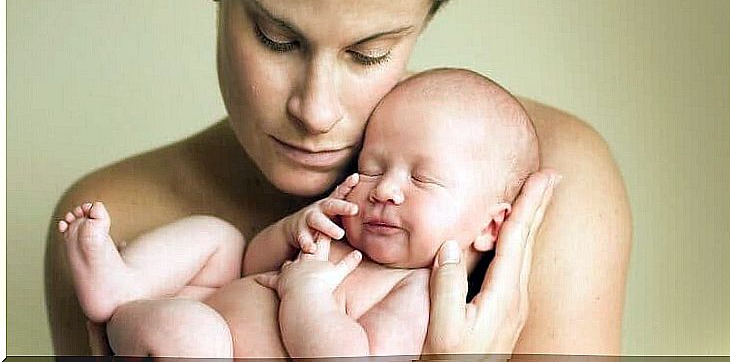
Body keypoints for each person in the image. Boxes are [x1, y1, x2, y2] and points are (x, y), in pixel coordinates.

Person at [45, 0, 631, 356]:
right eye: (277, 38)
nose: (315, 111)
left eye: (369, 53)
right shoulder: (115, 217)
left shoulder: (551, 182)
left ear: (429, 13)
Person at [56, 68, 541, 358]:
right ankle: (122, 284)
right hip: (200, 297)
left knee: (196, 337)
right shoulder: (342, 231)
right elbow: (251, 264)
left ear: (490, 226)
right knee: (220, 238)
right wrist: (292, 230)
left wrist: (307, 293)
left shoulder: (418, 295)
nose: (385, 191)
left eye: (422, 180)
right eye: (371, 168)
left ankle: (126, 315)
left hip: (208, 342)